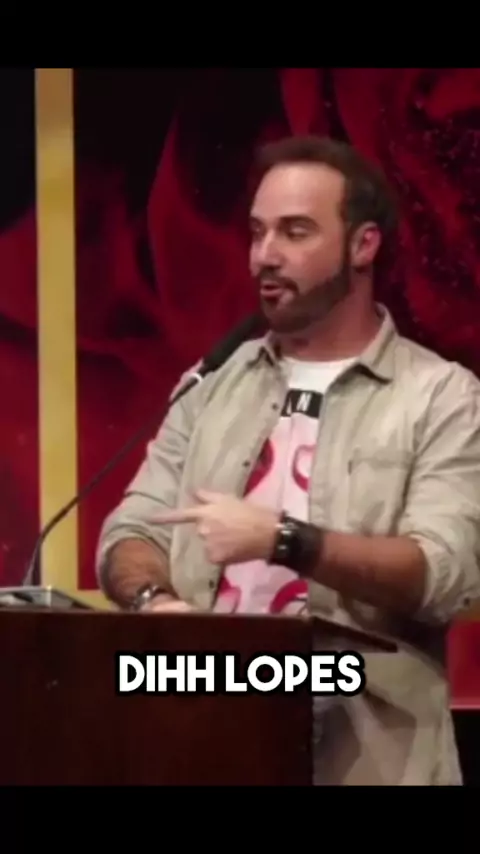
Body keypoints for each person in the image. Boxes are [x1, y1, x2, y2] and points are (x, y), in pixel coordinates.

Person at [96, 135, 480, 785]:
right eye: (257, 232)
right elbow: (130, 532)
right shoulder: (212, 384)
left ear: (363, 245)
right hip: (203, 738)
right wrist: (157, 605)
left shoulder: (441, 396)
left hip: (365, 758)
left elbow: (446, 573)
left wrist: (285, 540)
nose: (264, 256)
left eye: (295, 232)